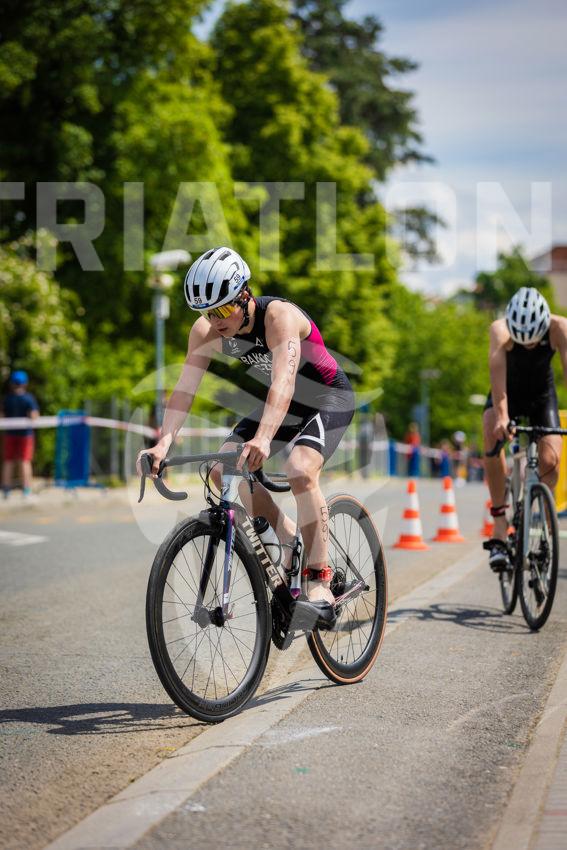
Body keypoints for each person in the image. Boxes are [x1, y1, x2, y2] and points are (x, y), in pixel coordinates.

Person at [137, 247, 355, 620]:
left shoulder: (279, 317)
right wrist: (163, 442)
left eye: (223, 310)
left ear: (244, 295)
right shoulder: (205, 331)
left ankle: (320, 580)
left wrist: (264, 438)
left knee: (300, 469)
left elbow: (283, 381)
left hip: (326, 396)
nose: (215, 320)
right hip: (284, 403)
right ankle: (288, 535)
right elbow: (185, 388)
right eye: (207, 312)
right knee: (222, 471)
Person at [483, 287, 567, 571]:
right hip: (507, 394)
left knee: (550, 460)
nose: (529, 346)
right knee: (490, 430)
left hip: (542, 397)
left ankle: (545, 521)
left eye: (534, 342)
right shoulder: (499, 331)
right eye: (523, 342)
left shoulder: (560, 328)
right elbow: (498, 383)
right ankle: (499, 525)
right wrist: (502, 418)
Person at [1, 370, 40, 498]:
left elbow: (2, 416)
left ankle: (6, 489)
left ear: (12, 384)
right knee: (25, 461)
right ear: (25, 383)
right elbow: (34, 415)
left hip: (9, 433)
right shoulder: (28, 398)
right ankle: (26, 489)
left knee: (8, 461)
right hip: (25, 435)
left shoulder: (7, 399)